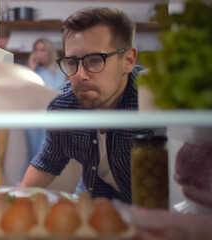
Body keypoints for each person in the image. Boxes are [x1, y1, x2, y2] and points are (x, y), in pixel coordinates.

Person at [20, 7, 154, 203]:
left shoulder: (152, 99)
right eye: (72, 62)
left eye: (94, 60)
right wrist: (15, 203)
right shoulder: (64, 107)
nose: (80, 75)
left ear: (128, 60)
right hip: (94, 203)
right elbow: (46, 163)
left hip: (151, 211)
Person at [25, 38, 66, 175]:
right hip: (32, 118)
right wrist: (30, 66)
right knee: (32, 155)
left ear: (49, 52)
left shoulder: (59, 71)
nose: (38, 53)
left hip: (49, 117)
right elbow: (26, 92)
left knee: (44, 155)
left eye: (42, 50)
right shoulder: (32, 71)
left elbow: (53, 93)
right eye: (36, 49)